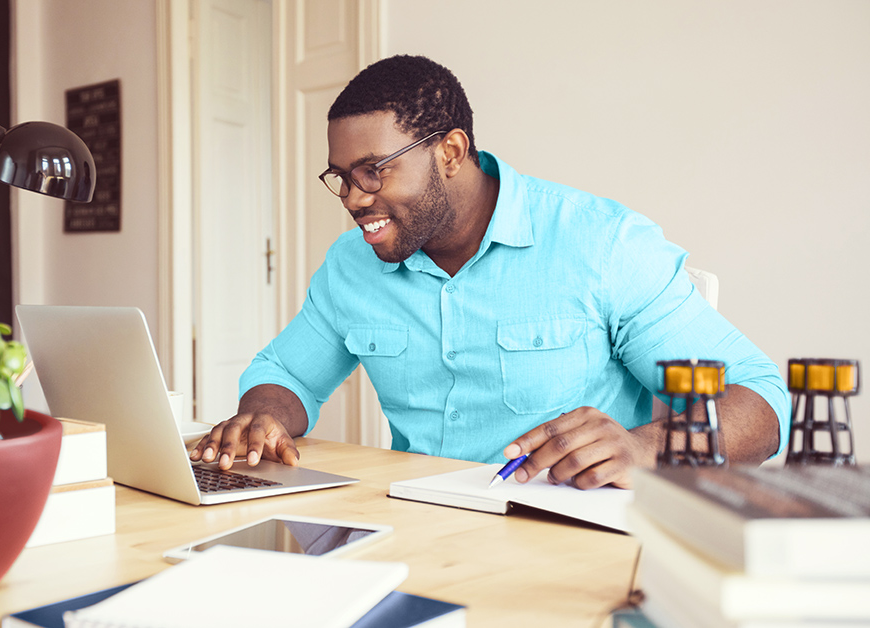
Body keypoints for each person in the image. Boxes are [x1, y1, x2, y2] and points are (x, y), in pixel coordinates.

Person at [190, 55, 788, 489]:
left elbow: (761, 398)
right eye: (342, 176)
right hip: (415, 520)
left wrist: (644, 446)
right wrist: (265, 414)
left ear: (449, 152)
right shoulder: (351, 266)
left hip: (570, 531)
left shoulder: (603, 243)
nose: (351, 197)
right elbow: (285, 372)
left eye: (373, 171)